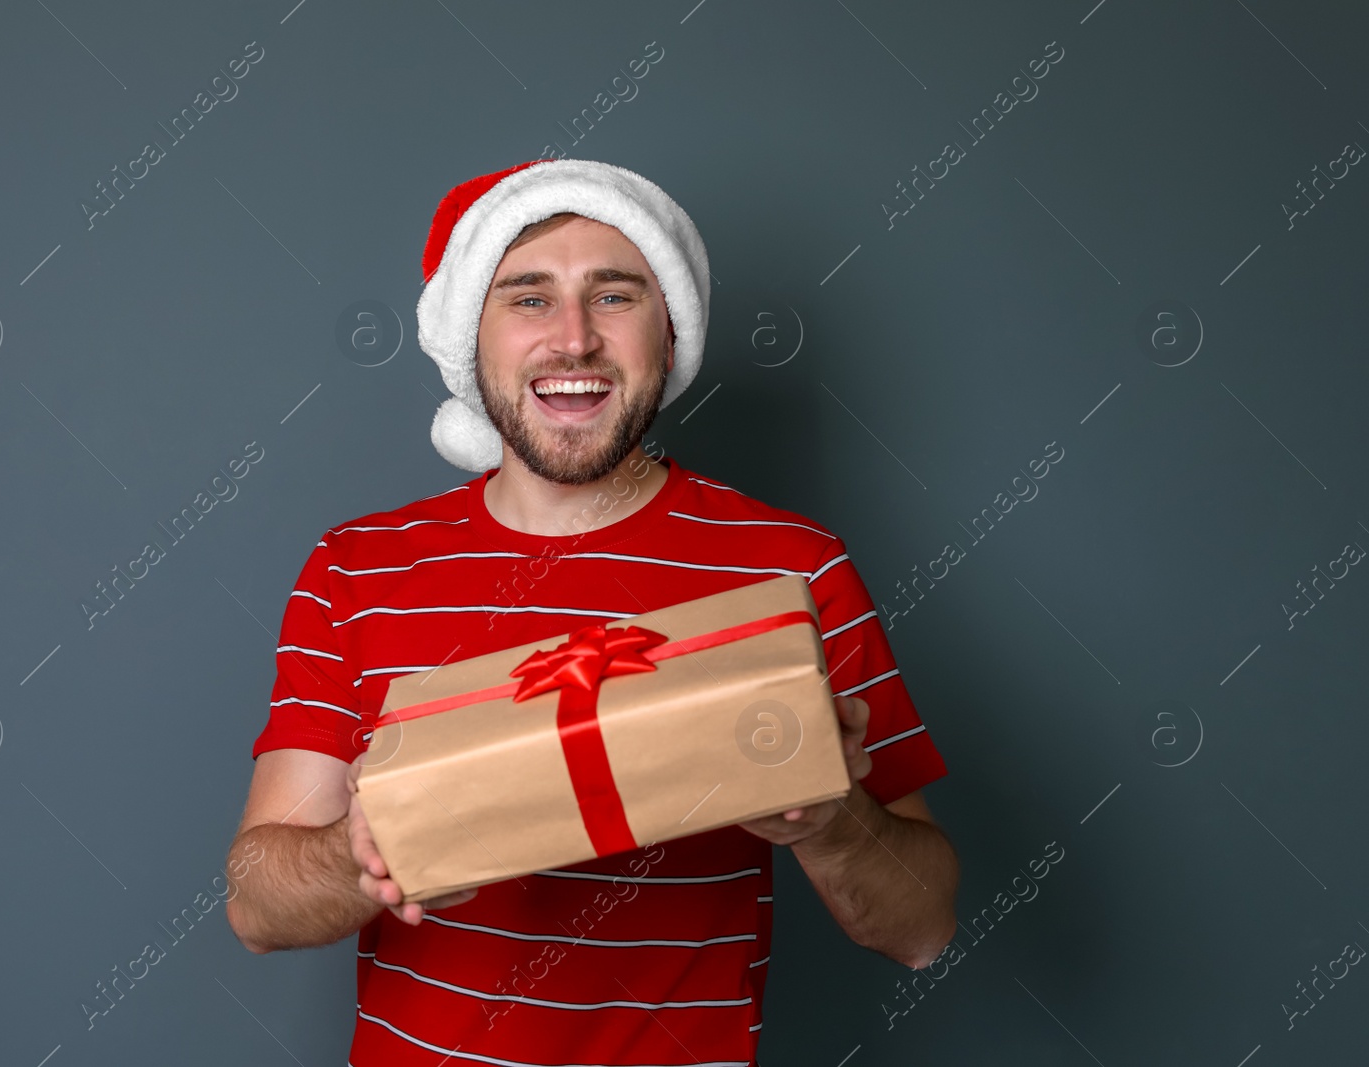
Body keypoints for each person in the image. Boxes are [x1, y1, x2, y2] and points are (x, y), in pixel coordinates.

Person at [225, 158, 959, 1064]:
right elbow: (257, 905)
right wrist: (361, 854)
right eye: (528, 299)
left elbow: (922, 926)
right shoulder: (359, 569)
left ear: (670, 329)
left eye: (614, 296)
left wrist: (832, 815)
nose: (573, 339)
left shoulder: (790, 569)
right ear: (474, 339)